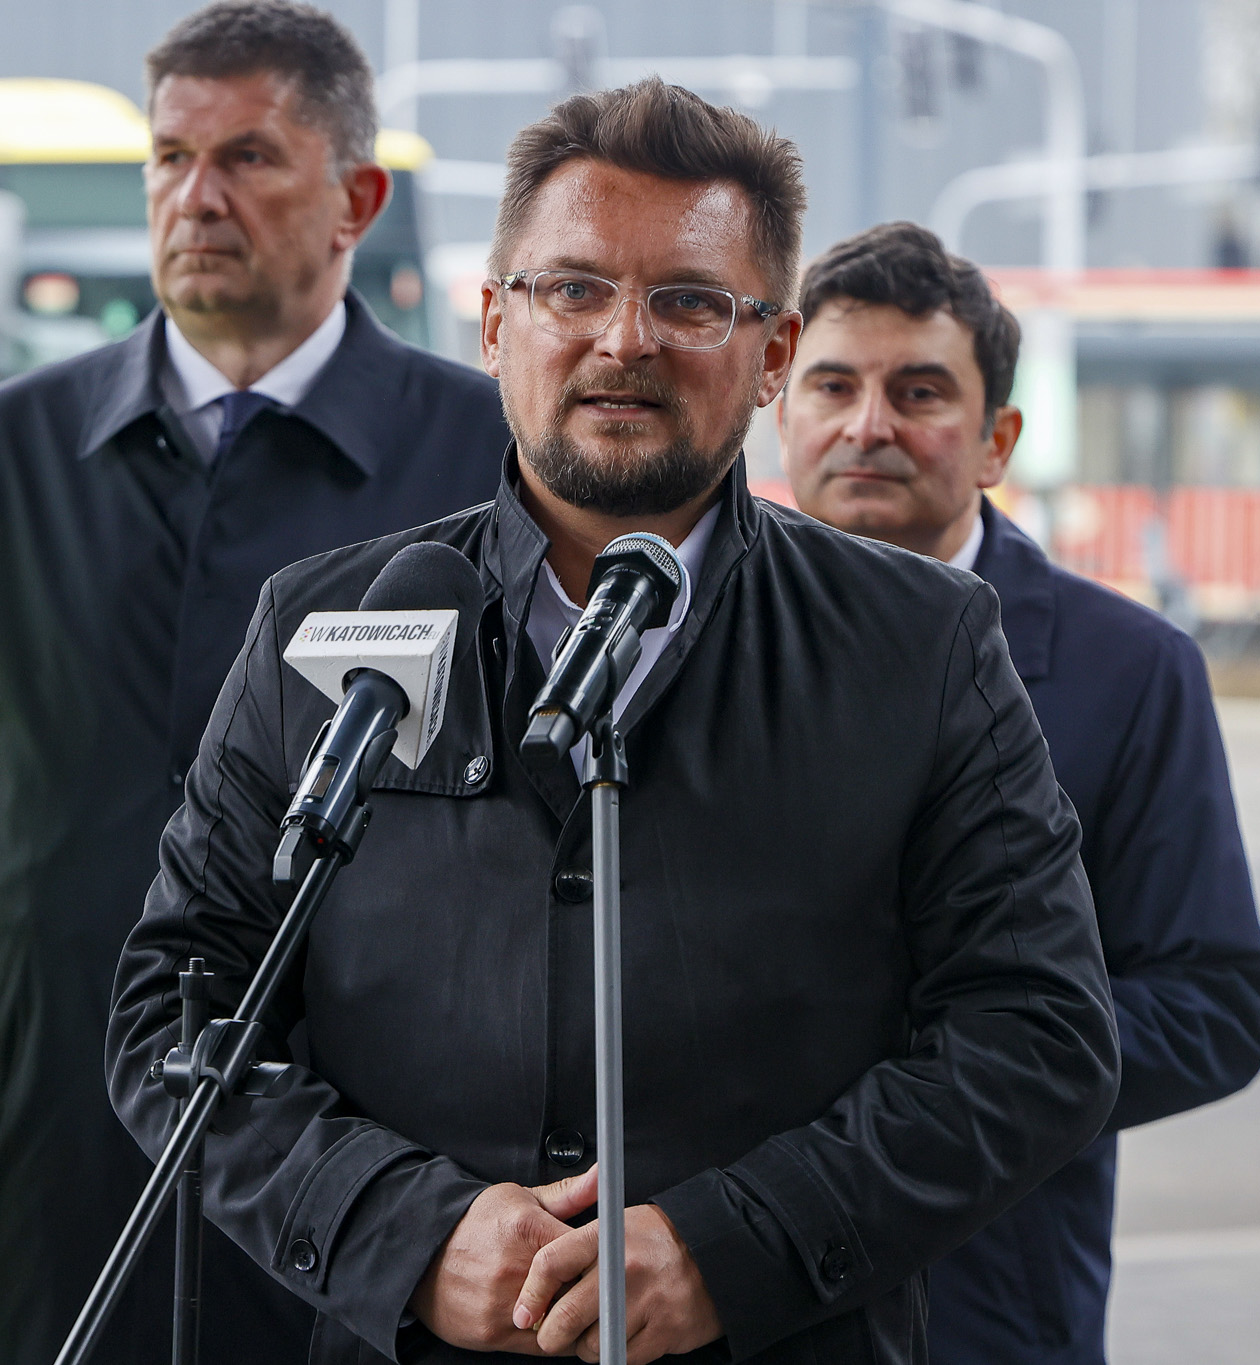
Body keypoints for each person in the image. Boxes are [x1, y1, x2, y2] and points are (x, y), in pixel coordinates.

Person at [107, 79, 1121, 1365]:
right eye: (570, 289)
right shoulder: (319, 630)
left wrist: (731, 1245)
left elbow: (1037, 1041)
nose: (622, 339)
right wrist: (400, 1233)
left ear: (768, 356)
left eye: (688, 300)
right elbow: (172, 1009)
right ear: (491, 325)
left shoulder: (921, 646)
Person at [0, 3, 509, 1362]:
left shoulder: (486, 458)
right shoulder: (2, 457)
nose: (195, 199)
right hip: (59, 1168)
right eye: (169, 159)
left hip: (388, 1183)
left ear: (356, 199)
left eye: (249, 160)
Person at [781, 220, 1260, 1365]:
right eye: (833, 385)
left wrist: (953, 1070)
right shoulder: (685, 638)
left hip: (986, 1292)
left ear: (996, 437)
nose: (868, 427)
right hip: (730, 1294)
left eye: (918, 392)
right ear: (779, 401)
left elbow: (1215, 1004)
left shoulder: (1129, 668)